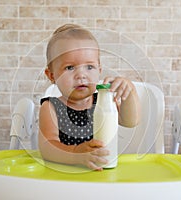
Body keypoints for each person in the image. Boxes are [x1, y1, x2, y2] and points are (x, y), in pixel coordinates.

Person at [38, 24, 140, 171]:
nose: (81, 75)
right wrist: (75, 154)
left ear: (99, 70)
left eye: (89, 67)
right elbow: (47, 147)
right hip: (64, 176)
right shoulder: (50, 107)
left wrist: (129, 91)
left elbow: (131, 121)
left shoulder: (104, 102)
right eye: (70, 67)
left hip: (102, 174)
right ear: (52, 75)